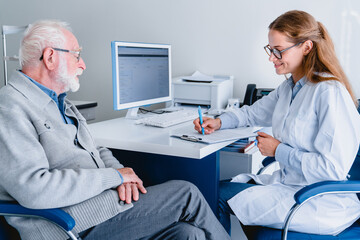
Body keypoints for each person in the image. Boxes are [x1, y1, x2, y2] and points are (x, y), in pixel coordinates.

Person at [0, 20, 231, 240]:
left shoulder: (61, 102)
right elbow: (34, 188)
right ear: (50, 57)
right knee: (186, 194)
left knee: (188, 234)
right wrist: (114, 176)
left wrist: (123, 176)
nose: (83, 64)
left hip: (103, 209)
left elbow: (96, 149)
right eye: (76, 55)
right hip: (67, 225)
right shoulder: (10, 107)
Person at [194, 10, 360, 236]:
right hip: (289, 185)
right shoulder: (290, 87)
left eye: (278, 51)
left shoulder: (329, 93)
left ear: (307, 47)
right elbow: (251, 114)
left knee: (216, 196)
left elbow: (331, 169)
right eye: (270, 50)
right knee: (215, 188)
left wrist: (278, 150)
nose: (271, 58)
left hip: (317, 199)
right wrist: (219, 122)